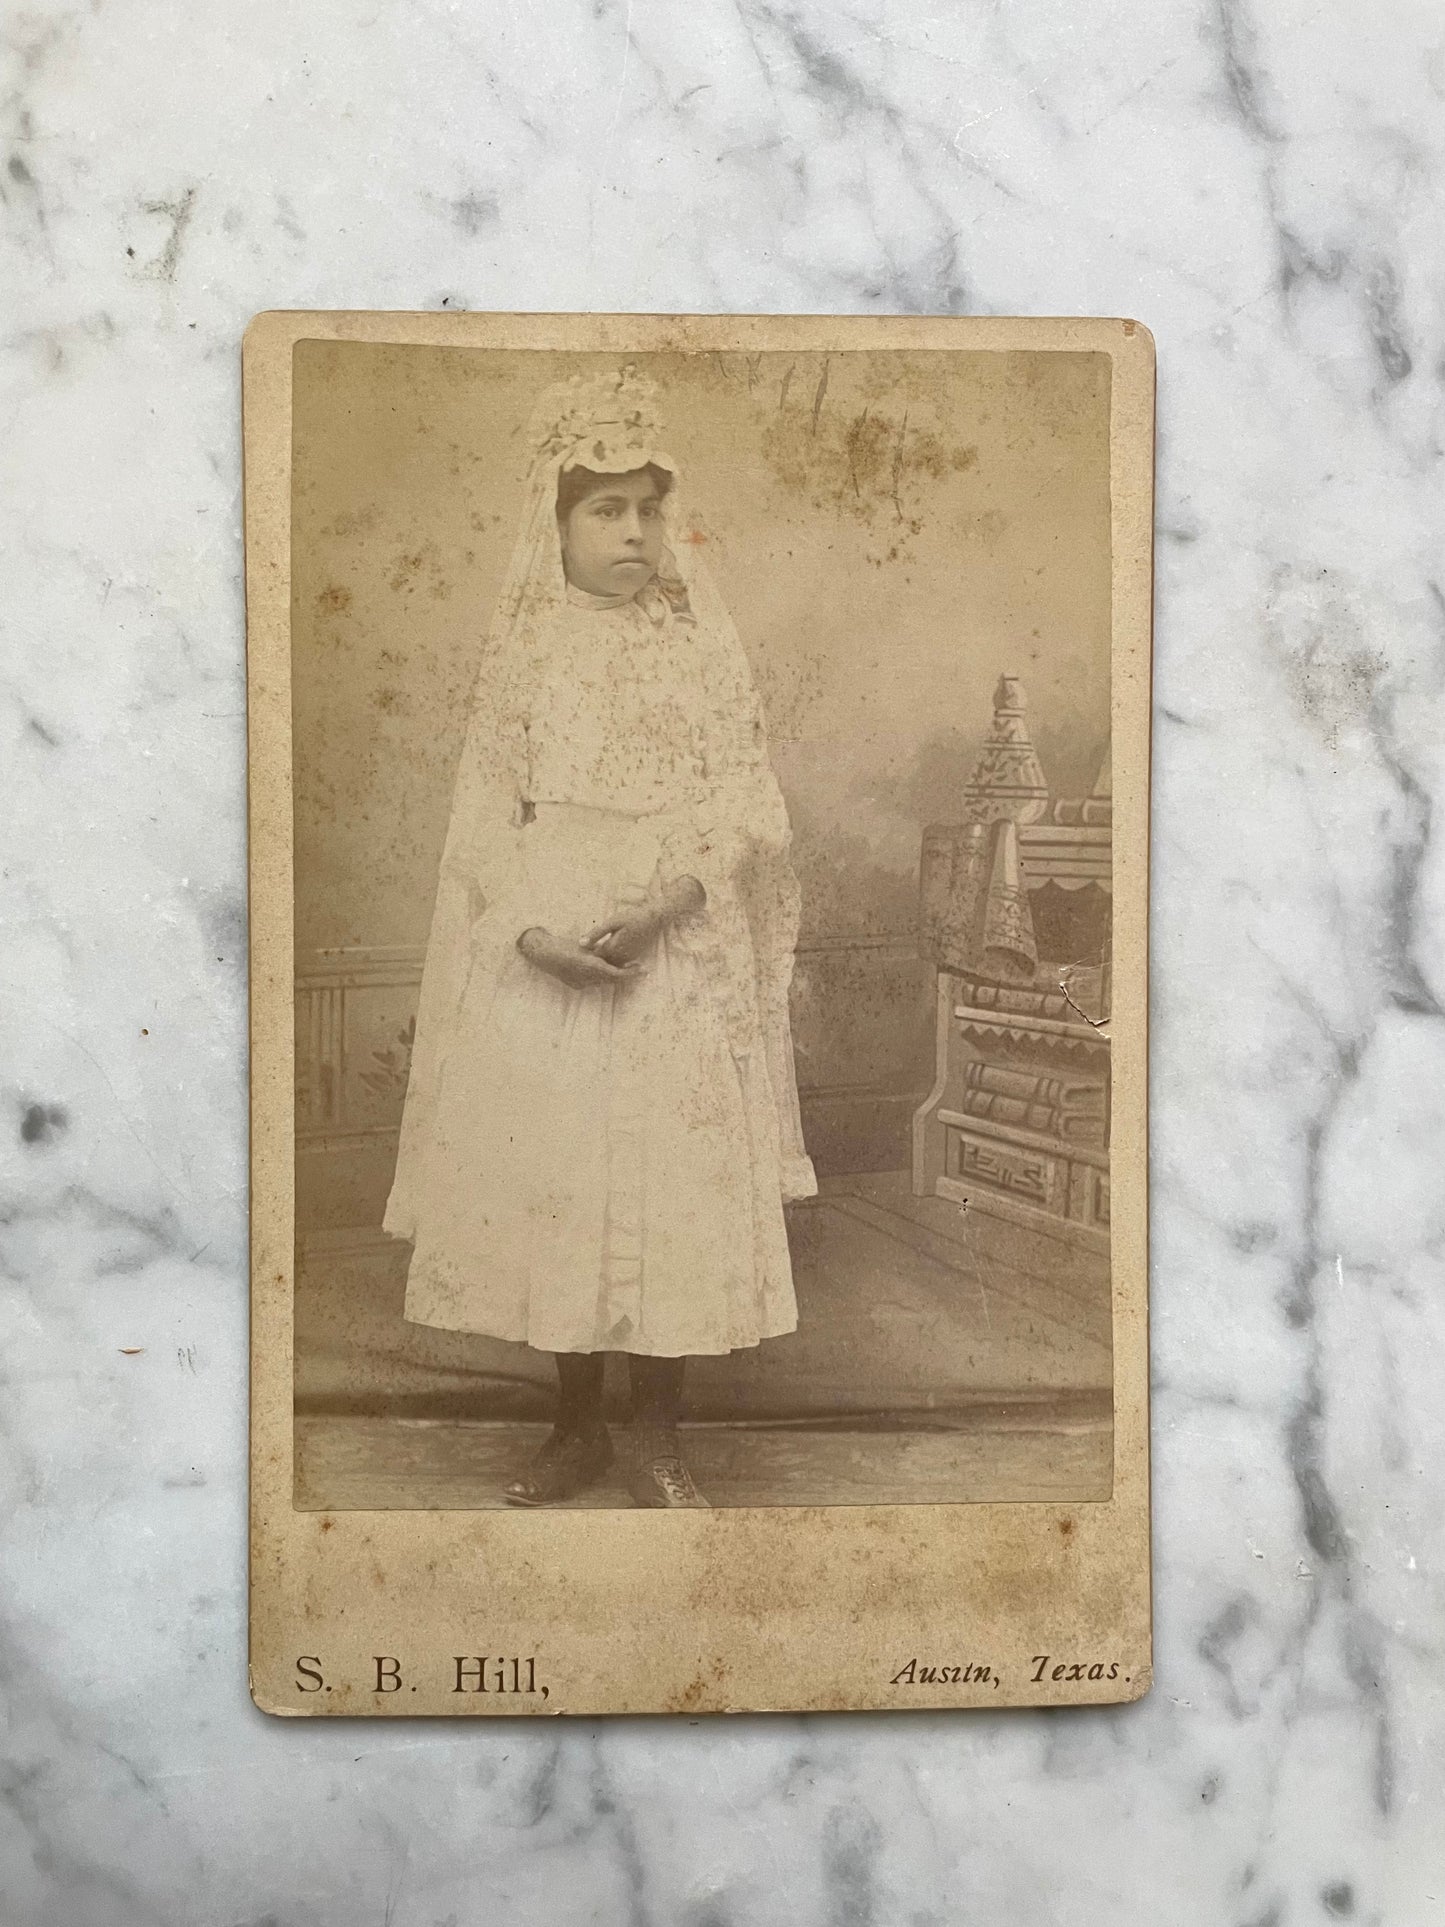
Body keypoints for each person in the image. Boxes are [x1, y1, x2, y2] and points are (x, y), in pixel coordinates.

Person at [382, 369, 815, 1508]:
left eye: (646, 508)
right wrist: (530, 934)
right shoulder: (525, 654)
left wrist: (674, 896)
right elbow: (483, 818)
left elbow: (748, 803)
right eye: (603, 509)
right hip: (554, 933)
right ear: (557, 523)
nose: (631, 531)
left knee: (666, 1174)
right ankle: (574, 1424)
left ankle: (660, 1434)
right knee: (560, 1172)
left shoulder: (696, 649)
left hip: (671, 938)